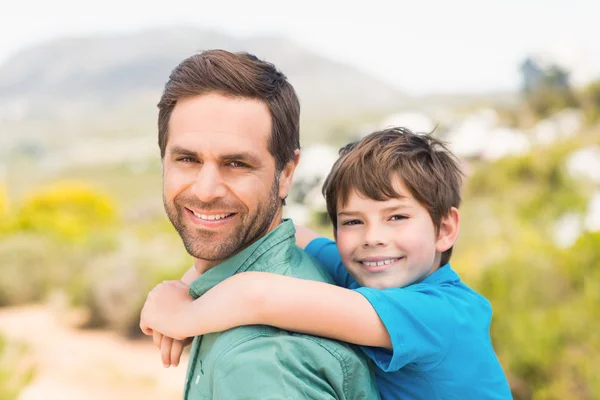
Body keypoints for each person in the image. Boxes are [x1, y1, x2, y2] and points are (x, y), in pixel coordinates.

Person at [141, 127, 514, 399]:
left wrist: (180, 314)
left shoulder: (440, 314)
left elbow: (258, 296)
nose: (373, 237)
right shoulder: (368, 266)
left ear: (444, 229)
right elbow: (287, 234)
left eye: (397, 217)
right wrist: (187, 279)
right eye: (352, 221)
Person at [139, 49, 380, 400]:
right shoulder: (302, 262)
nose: (206, 192)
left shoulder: (261, 362)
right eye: (187, 159)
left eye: (236, 163)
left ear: (286, 174)